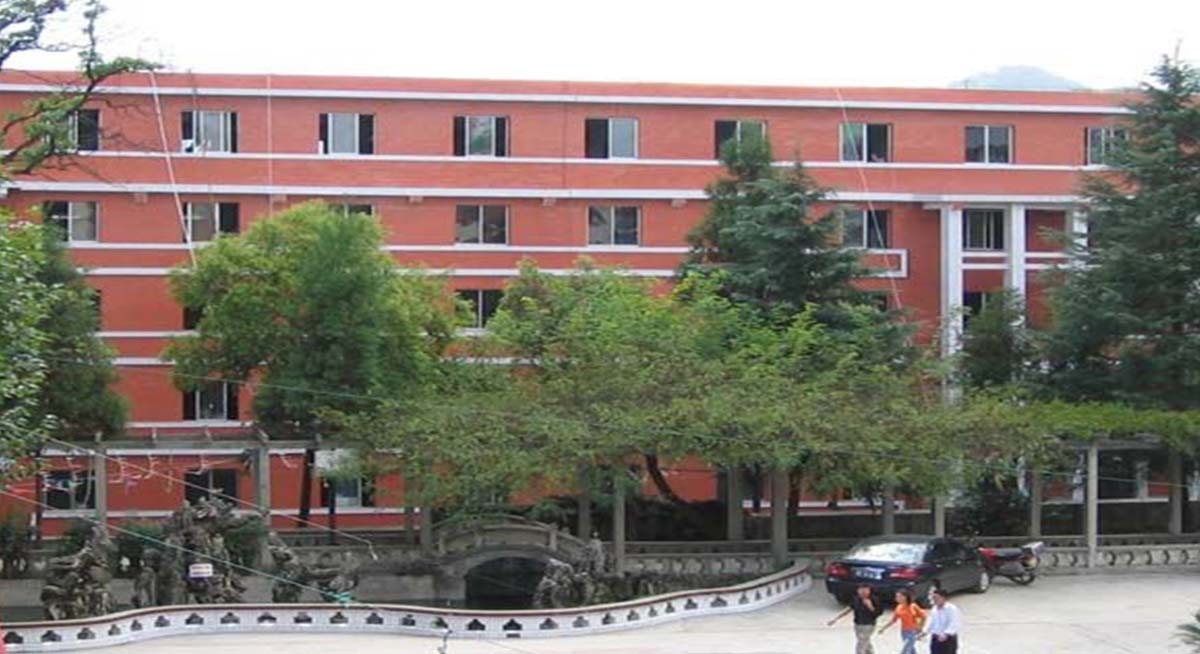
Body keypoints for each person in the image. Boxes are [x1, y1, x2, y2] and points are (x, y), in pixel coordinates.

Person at [828, 584, 884, 654]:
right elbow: (848, 609)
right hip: (858, 625)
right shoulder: (856, 599)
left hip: (868, 625)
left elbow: (878, 613)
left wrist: (870, 606)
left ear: (869, 591)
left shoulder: (874, 599)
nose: (863, 592)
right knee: (865, 642)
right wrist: (836, 619)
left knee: (861, 643)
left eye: (865, 590)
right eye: (861, 590)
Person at [878, 589, 927, 654]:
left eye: (899, 596)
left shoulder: (913, 606)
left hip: (912, 631)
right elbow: (893, 620)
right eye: (896, 596)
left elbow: (923, 616)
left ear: (905, 597)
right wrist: (883, 628)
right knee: (911, 649)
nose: (897, 598)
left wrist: (920, 627)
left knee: (905, 649)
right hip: (904, 631)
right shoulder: (899, 607)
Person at [921, 587, 961, 654]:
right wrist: (924, 631)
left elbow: (953, 622)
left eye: (936, 598)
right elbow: (930, 621)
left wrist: (946, 634)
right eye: (933, 598)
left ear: (943, 598)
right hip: (936, 637)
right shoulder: (934, 609)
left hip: (948, 639)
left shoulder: (951, 609)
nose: (935, 600)